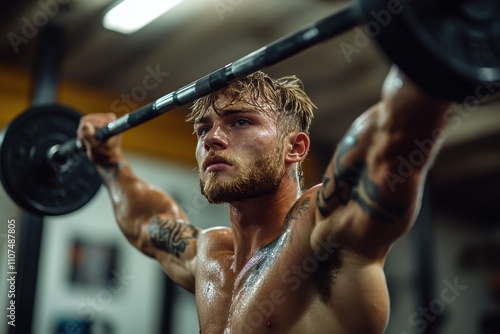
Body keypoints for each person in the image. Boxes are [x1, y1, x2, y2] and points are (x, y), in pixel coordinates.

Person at [77, 67, 452, 333]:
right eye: (204, 128)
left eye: (240, 121)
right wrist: (109, 163)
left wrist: (427, 56)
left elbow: (396, 139)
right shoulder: (210, 255)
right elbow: (146, 224)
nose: (212, 138)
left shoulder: (320, 235)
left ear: (296, 148)